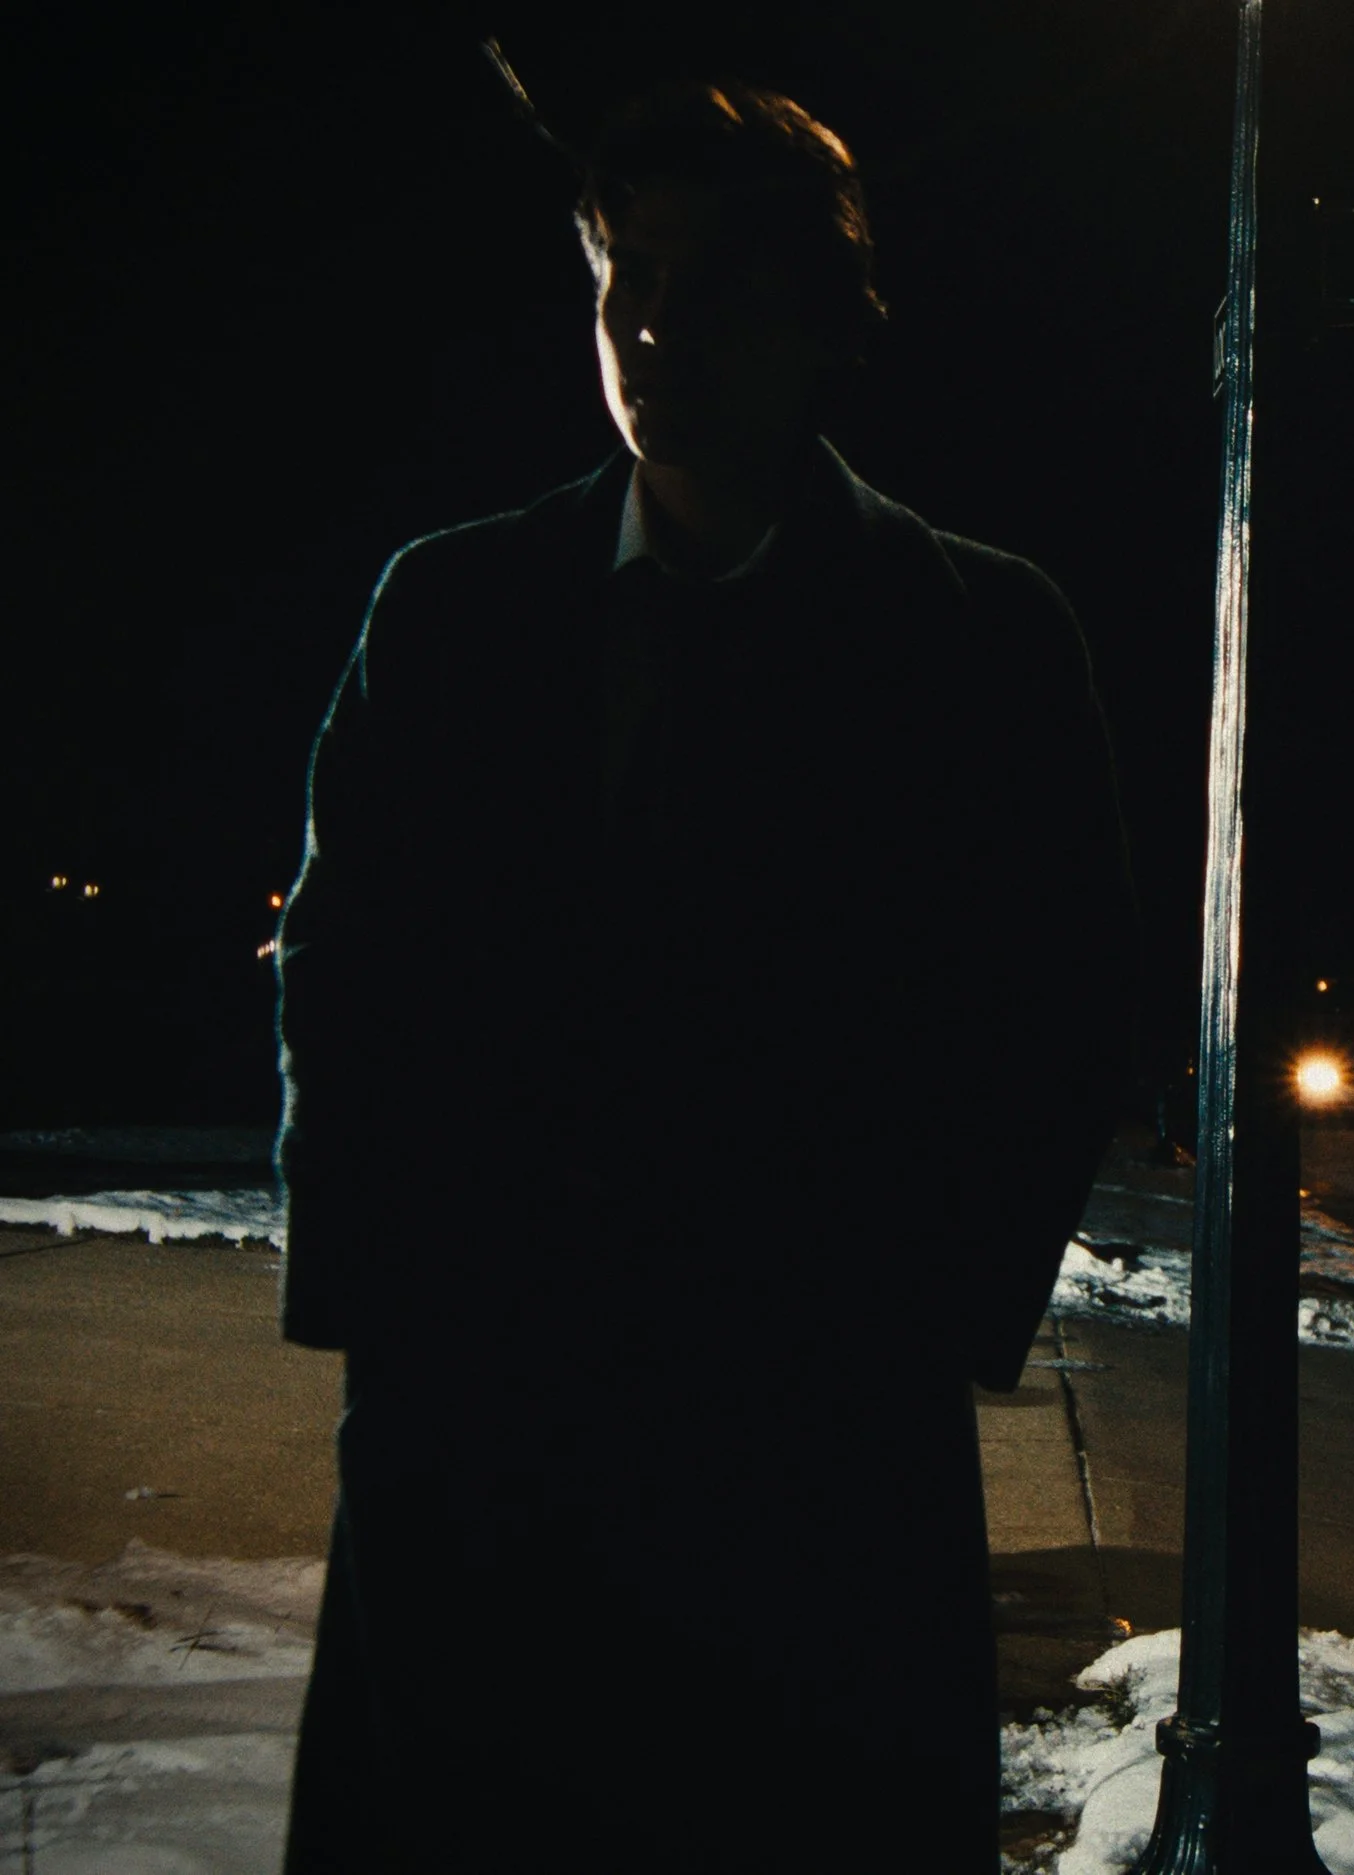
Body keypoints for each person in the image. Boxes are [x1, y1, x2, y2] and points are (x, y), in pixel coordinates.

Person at [275, 76, 1134, 1872]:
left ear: (829, 318)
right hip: (484, 1454)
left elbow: (1050, 1018)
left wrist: (912, 1333)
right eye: (623, 277)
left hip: (805, 1469)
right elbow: (347, 984)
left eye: (715, 280)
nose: (651, 326)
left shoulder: (978, 638)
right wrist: (393, 1330)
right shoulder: (451, 613)